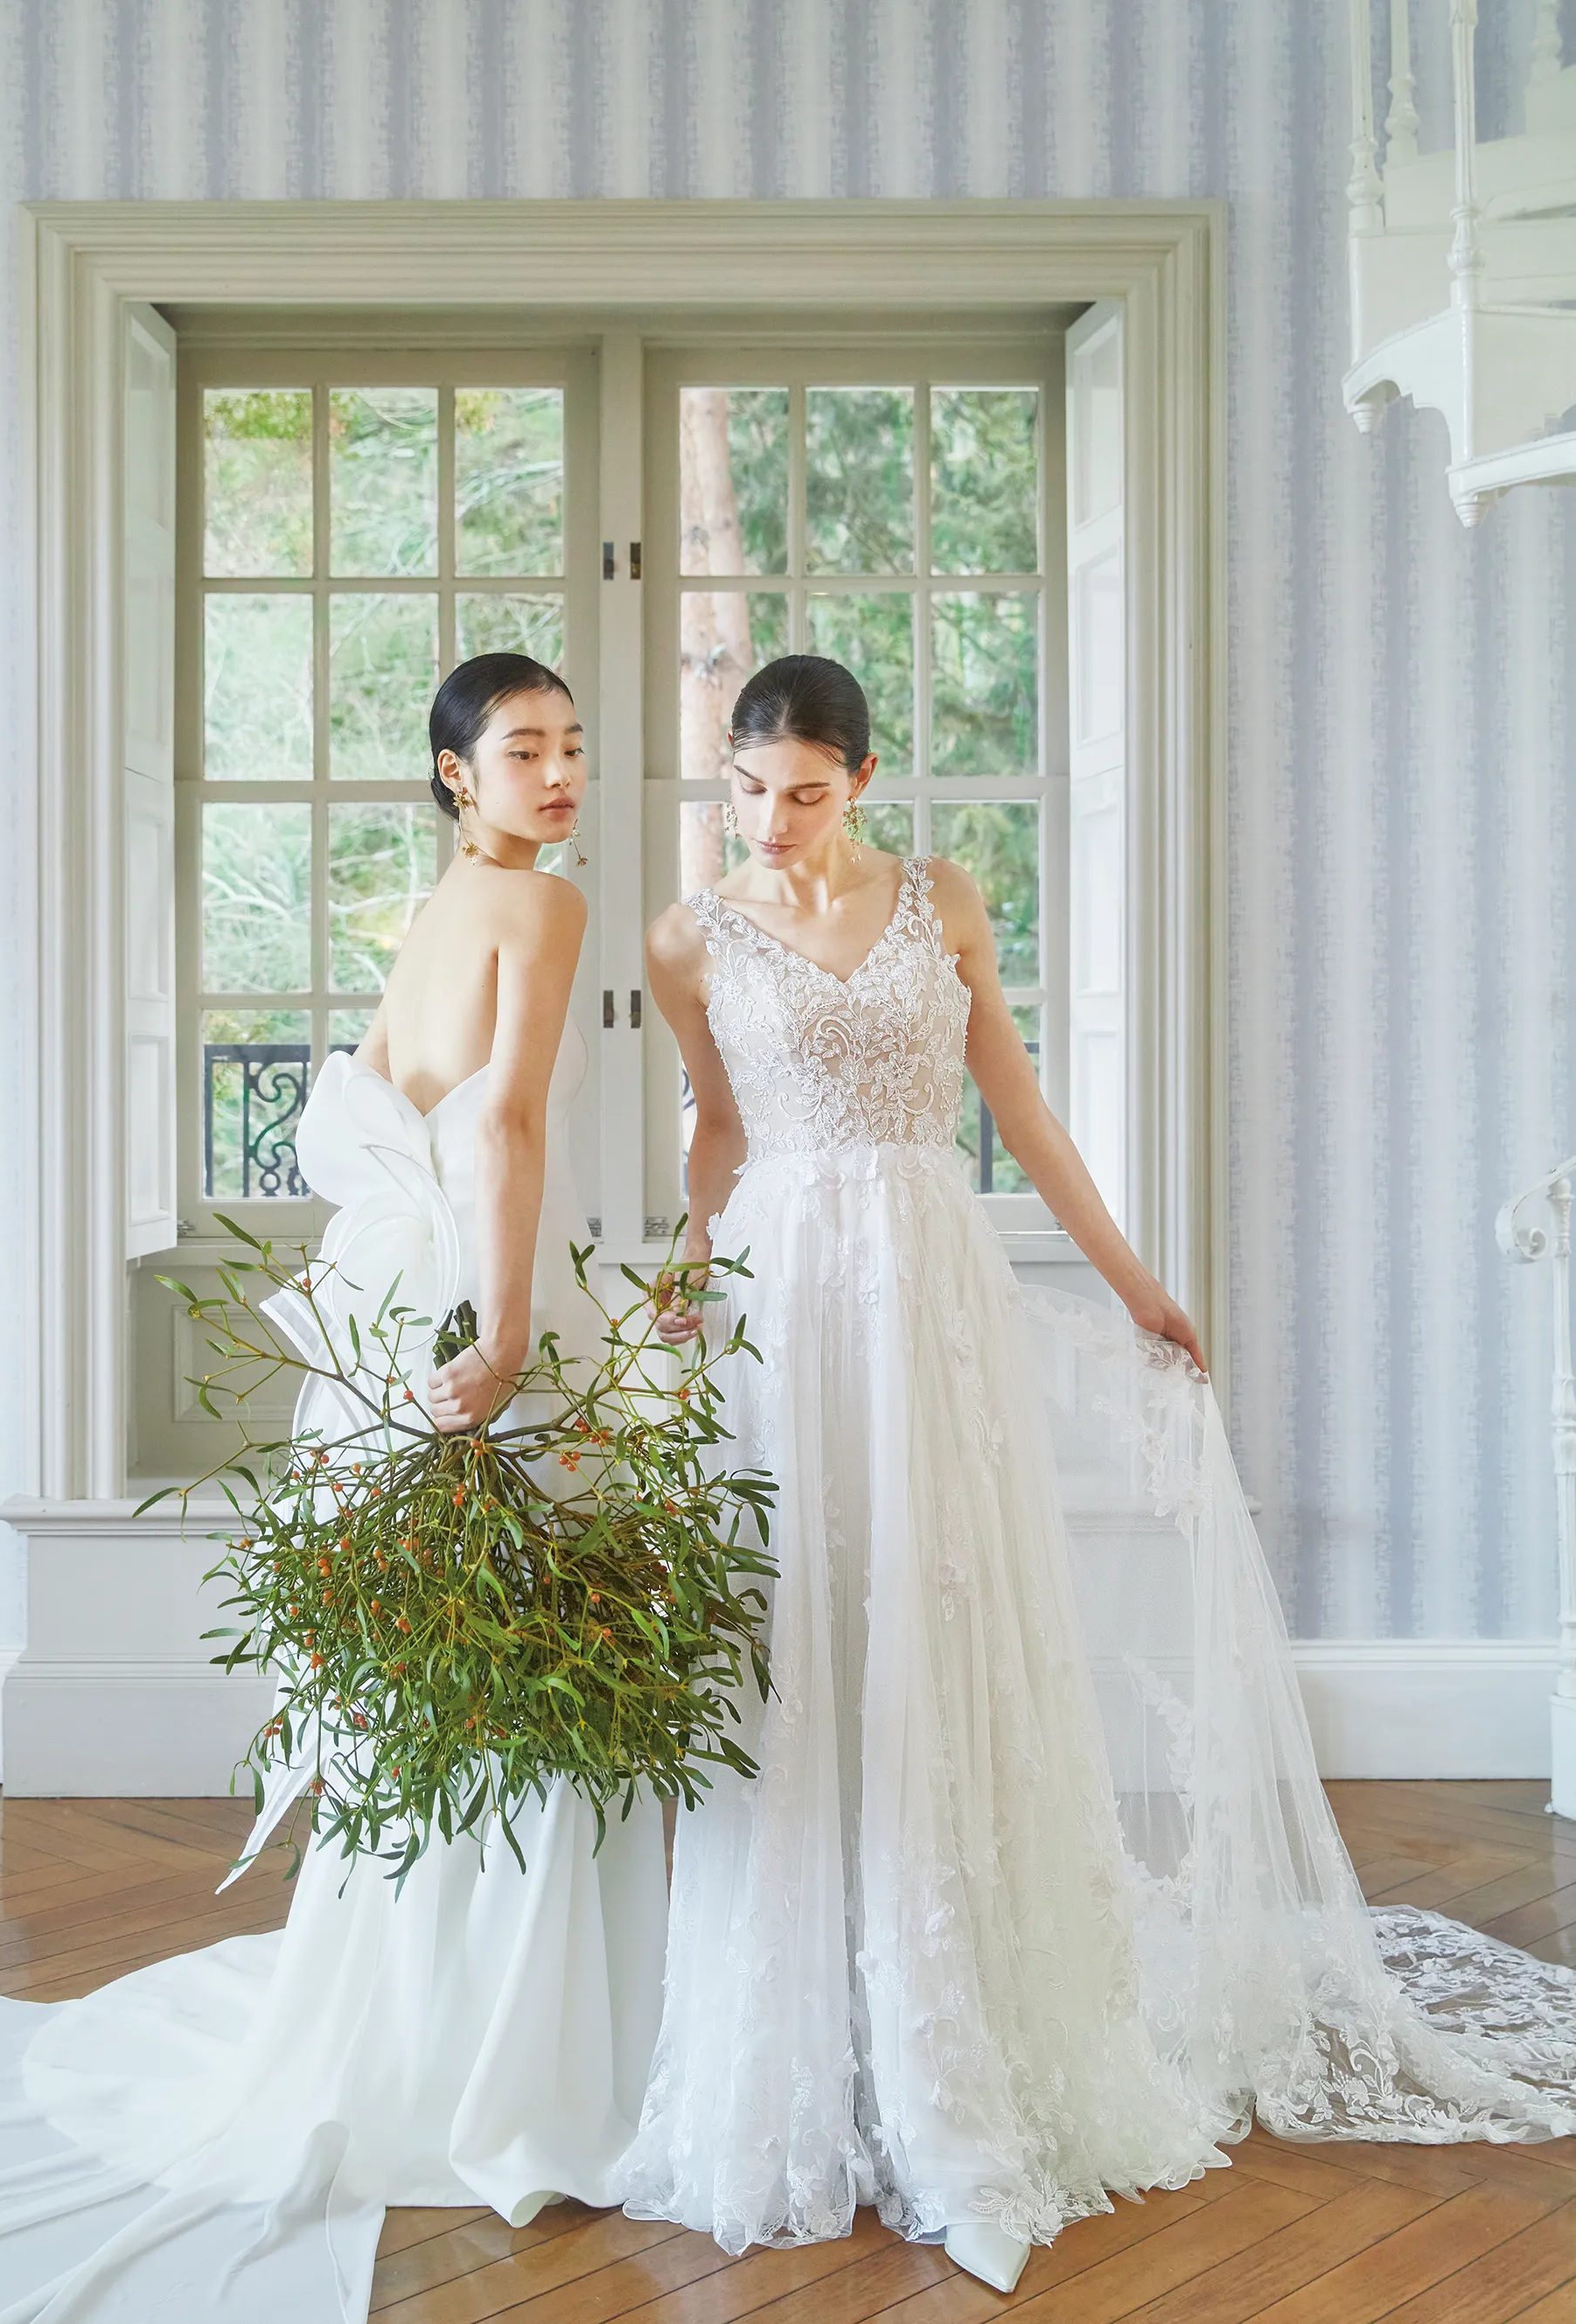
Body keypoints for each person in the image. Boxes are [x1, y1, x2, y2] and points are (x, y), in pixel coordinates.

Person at [0, 653, 666, 2323]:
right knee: (525, 1675)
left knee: (433, 1681)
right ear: (456, 773)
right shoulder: (545, 906)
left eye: (573, 745)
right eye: (525, 749)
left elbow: (378, 1116)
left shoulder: (436, 913)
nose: (561, 772)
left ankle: (420, 2009)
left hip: (387, 1330)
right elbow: (503, 1129)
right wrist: (508, 1334)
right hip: (482, 1305)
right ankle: (528, 2047)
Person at [624, 653, 1576, 2295]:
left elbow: (1022, 1116)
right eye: (746, 789)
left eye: (802, 790)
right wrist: (681, 1272)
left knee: (942, 1624)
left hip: (926, 1287)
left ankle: (968, 2055)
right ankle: (810, 2039)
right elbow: (716, 1126)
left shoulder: (942, 902)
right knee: (801, 1642)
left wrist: (1137, 1287)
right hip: (785, 1297)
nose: (769, 819)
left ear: (861, 779)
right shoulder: (686, 934)